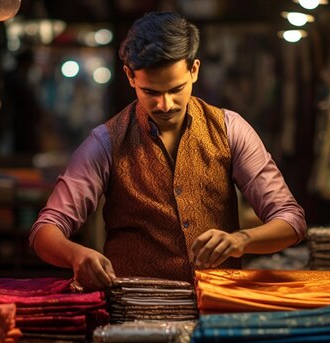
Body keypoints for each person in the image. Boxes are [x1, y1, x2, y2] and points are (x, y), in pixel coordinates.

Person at [29, 11, 306, 291]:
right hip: (133, 313)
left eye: (176, 89)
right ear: (130, 76)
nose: (165, 104)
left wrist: (241, 240)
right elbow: (44, 230)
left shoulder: (230, 129)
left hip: (217, 306)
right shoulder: (105, 142)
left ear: (194, 70)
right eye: (151, 92)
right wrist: (76, 254)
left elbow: (291, 220)